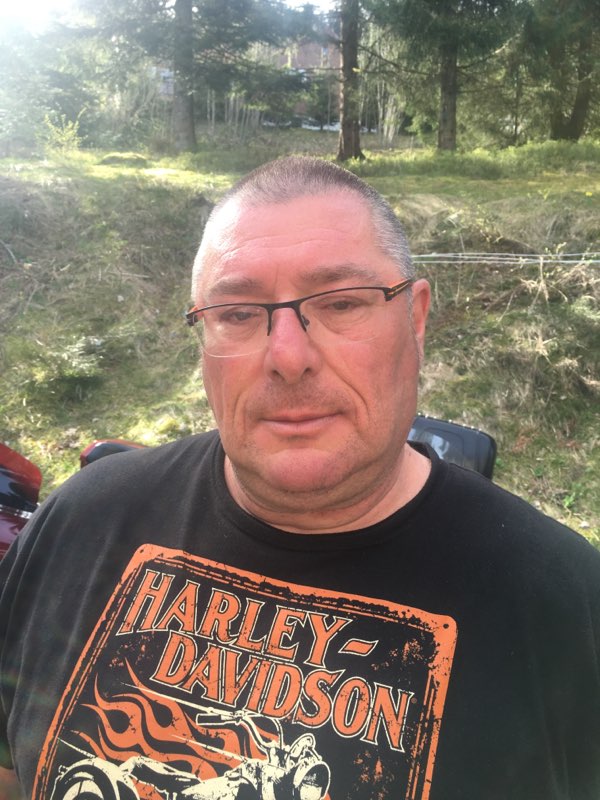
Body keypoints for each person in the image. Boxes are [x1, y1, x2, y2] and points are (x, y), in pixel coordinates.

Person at [1, 156, 599, 800]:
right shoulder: (82, 519)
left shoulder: (564, 607)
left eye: (341, 303)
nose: (287, 356)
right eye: (237, 312)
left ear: (416, 316)